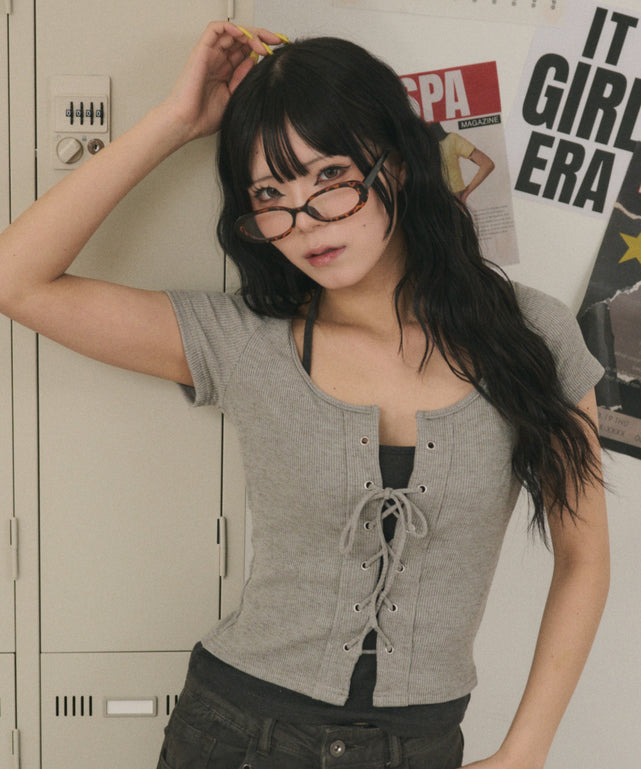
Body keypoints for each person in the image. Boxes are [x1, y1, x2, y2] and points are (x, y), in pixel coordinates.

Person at [0, 21, 609, 769]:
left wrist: (525, 751)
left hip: (419, 746)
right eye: (269, 194)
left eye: (330, 177)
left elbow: (583, 558)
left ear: (397, 165)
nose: (305, 219)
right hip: (236, 734)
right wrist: (176, 122)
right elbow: (15, 280)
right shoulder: (245, 339)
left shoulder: (533, 334)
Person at [429, 122, 495, 204]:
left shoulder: (451, 140)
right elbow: (487, 164)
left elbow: (487, 164)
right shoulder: (452, 139)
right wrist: (466, 192)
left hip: (448, 203)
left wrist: (466, 192)